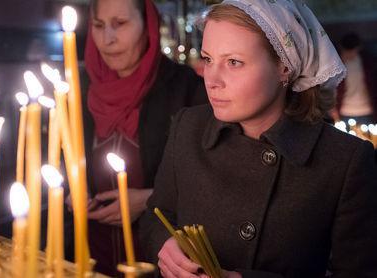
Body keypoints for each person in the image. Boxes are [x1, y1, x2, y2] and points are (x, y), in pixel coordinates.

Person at [140, 0, 377, 277]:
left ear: (284, 67)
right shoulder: (188, 127)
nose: (211, 79)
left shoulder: (345, 161)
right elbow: (157, 215)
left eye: (234, 62)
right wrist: (166, 246)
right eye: (208, 59)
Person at [74, 0, 208, 275]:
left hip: (160, 259)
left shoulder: (186, 88)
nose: (107, 39)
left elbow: (210, 180)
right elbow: (56, 152)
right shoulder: (78, 85)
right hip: (85, 253)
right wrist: (68, 189)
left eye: (120, 24)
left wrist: (150, 199)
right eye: (98, 26)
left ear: (147, 25)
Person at [335, 32, 377, 125]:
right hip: (344, 111)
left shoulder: (368, 62)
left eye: (352, 51)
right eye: (347, 51)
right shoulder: (335, 65)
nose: (350, 54)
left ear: (358, 48)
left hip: (367, 111)